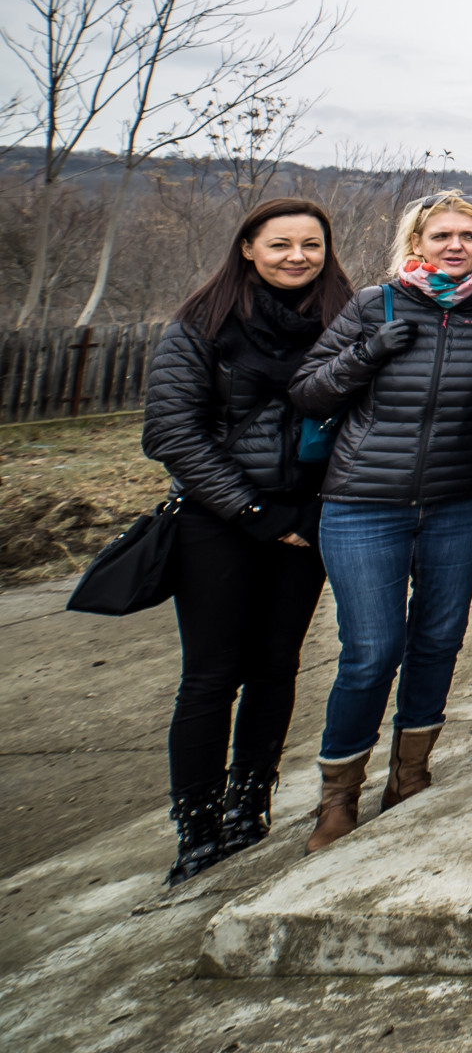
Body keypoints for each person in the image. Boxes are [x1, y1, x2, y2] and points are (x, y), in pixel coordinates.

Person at [288, 191, 472, 854]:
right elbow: (308, 390)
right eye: (441, 235)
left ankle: (409, 774)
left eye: (469, 237)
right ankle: (339, 795)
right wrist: (368, 353)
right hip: (365, 500)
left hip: (461, 499)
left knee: (439, 638)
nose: (456, 246)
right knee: (370, 651)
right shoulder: (375, 304)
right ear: (416, 242)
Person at [143, 199, 351, 886]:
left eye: (311, 246)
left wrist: (312, 511)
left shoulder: (340, 321)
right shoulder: (200, 326)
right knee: (210, 675)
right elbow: (173, 432)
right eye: (281, 244)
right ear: (247, 250)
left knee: (275, 665)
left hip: (308, 519)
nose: (297, 256)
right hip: (220, 522)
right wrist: (250, 508)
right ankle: (196, 822)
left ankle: (249, 801)